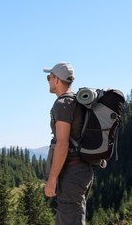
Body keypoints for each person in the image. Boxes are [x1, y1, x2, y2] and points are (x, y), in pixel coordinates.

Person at [43, 61, 94, 225]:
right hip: (82, 171)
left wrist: (52, 179)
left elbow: (62, 143)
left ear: (57, 79)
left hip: (72, 174)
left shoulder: (63, 104)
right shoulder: (77, 102)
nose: (48, 80)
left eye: (49, 77)